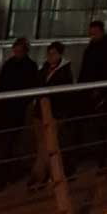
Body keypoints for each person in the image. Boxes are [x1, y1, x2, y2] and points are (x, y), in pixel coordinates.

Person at [0, 37, 39, 191]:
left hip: (11, 109)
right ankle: (3, 175)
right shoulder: (18, 65)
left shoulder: (16, 65)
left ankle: (2, 176)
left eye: (18, 51)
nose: (16, 53)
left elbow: (0, 84)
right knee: (7, 143)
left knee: (7, 143)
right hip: (9, 109)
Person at [29, 42, 76, 187]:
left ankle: (39, 176)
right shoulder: (44, 69)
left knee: (47, 145)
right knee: (45, 145)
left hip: (54, 113)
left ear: (60, 54)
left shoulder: (64, 72)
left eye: (53, 53)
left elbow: (62, 94)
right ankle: (51, 175)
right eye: (49, 53)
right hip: (40, 112)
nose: (50, 56)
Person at [77, 20, 107, 172]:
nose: (92, 36)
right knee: (100, 129)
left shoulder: (106, 50)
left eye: (94, 33)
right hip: (94, 94)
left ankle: (105, 159)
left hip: (103, 96)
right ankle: (103, 158)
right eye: (91, 33)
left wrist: (100, 90)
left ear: (101, 32)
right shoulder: (95, 49)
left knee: (104, 128)